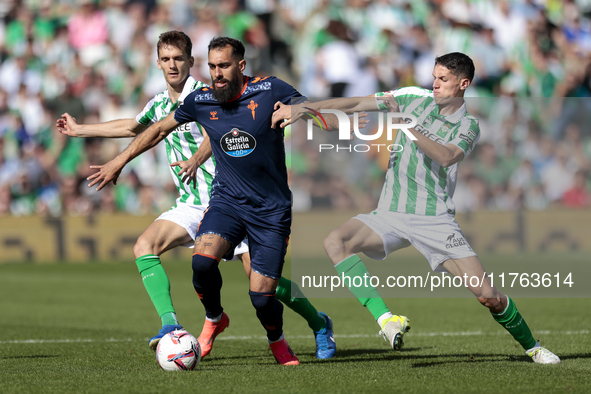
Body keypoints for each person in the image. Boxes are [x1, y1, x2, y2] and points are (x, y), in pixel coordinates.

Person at [57, 32, 335, 361]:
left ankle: (318, 322)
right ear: (157, 63)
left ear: (191, 62)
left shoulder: (207, 93)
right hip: (196, 201)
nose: (172, 65)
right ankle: (173, 325)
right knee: (147, 247)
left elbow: (217, 131)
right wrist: (81, 130)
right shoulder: (161, 103)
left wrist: (197, 158)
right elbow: (138, 128)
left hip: (234, 196)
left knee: (263, 287)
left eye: (178, 58)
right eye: (166, 59)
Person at [274, 52, 561, 364]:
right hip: (390, 213)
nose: (434, 84)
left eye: (443, 79)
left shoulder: (469, 124)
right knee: (335, 241)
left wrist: (405, 125)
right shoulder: (411, 97)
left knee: (488, 296)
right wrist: (299, 109)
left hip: (434, 220)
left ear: (463, 84)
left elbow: (447, 156)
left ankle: (533, 347)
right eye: (434, 77)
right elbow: (353, 104)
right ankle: (386, 320)